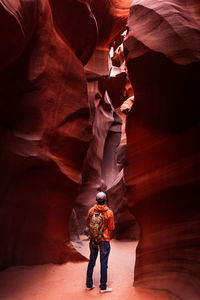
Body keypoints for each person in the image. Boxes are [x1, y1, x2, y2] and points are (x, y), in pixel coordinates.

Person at [86, 192, 115, 293]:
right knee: (104, 263)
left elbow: (88, 224)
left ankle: (89, 284)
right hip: (104, 239)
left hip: (94, 239)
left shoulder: (91, 211)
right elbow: (111, 228)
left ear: (96, 200)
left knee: (91, 261)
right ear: (105, 200)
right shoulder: (109, 212)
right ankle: (103, 287)